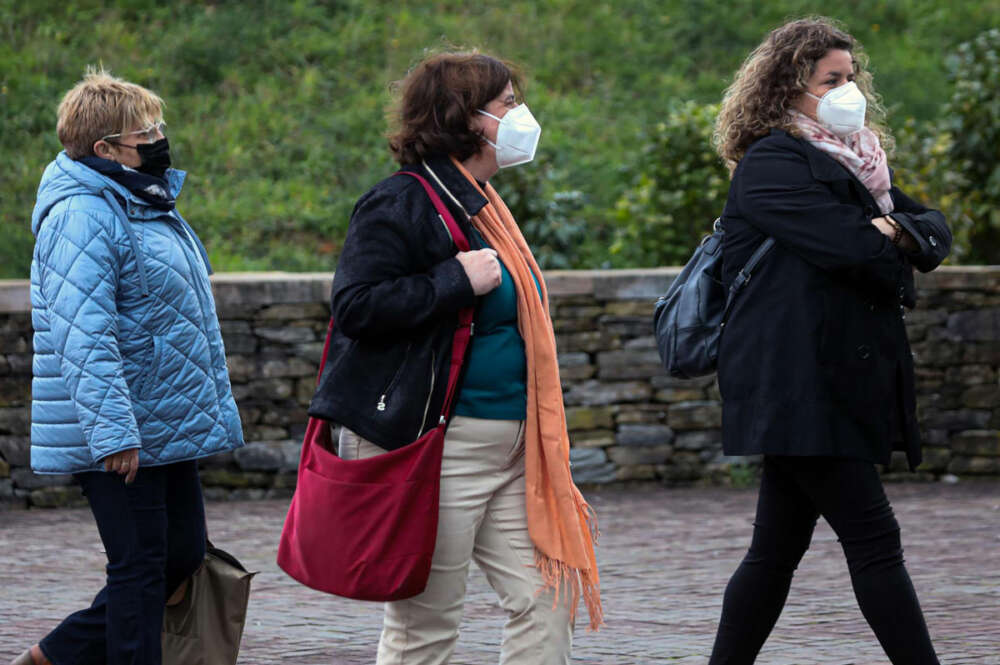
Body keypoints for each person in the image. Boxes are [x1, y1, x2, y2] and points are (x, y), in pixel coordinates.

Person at [307, 50, 602, 664]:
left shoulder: (485, 203)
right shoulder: (402, 201)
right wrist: (453, 281)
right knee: (426, 626)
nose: (522, 116)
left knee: (547, 600)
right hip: (439, 448)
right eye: (509, 104)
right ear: (467, 119)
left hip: (513, 448)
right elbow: (356, 306)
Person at [706, 17, 951, 664]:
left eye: (850, 78)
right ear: (790, 89)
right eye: (831, 80)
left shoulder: (860, 161)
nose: (849, 91)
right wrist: (891, 234)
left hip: (827, 382)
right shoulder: (770, 164)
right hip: (799, 381)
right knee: (874, 537)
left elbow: (933, 228)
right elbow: (853, 249)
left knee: (774, 552)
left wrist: (894, 228)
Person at [14, 68, 244, 665]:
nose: (159, 138)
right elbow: (82, 335)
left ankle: (56, 655)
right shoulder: (82, 216)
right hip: (123, 431)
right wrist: (114, 432)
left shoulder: (141, 201)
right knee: (139, 567)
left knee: (180, 557)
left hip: (163, 424)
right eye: (146, 132)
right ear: (105, 150)